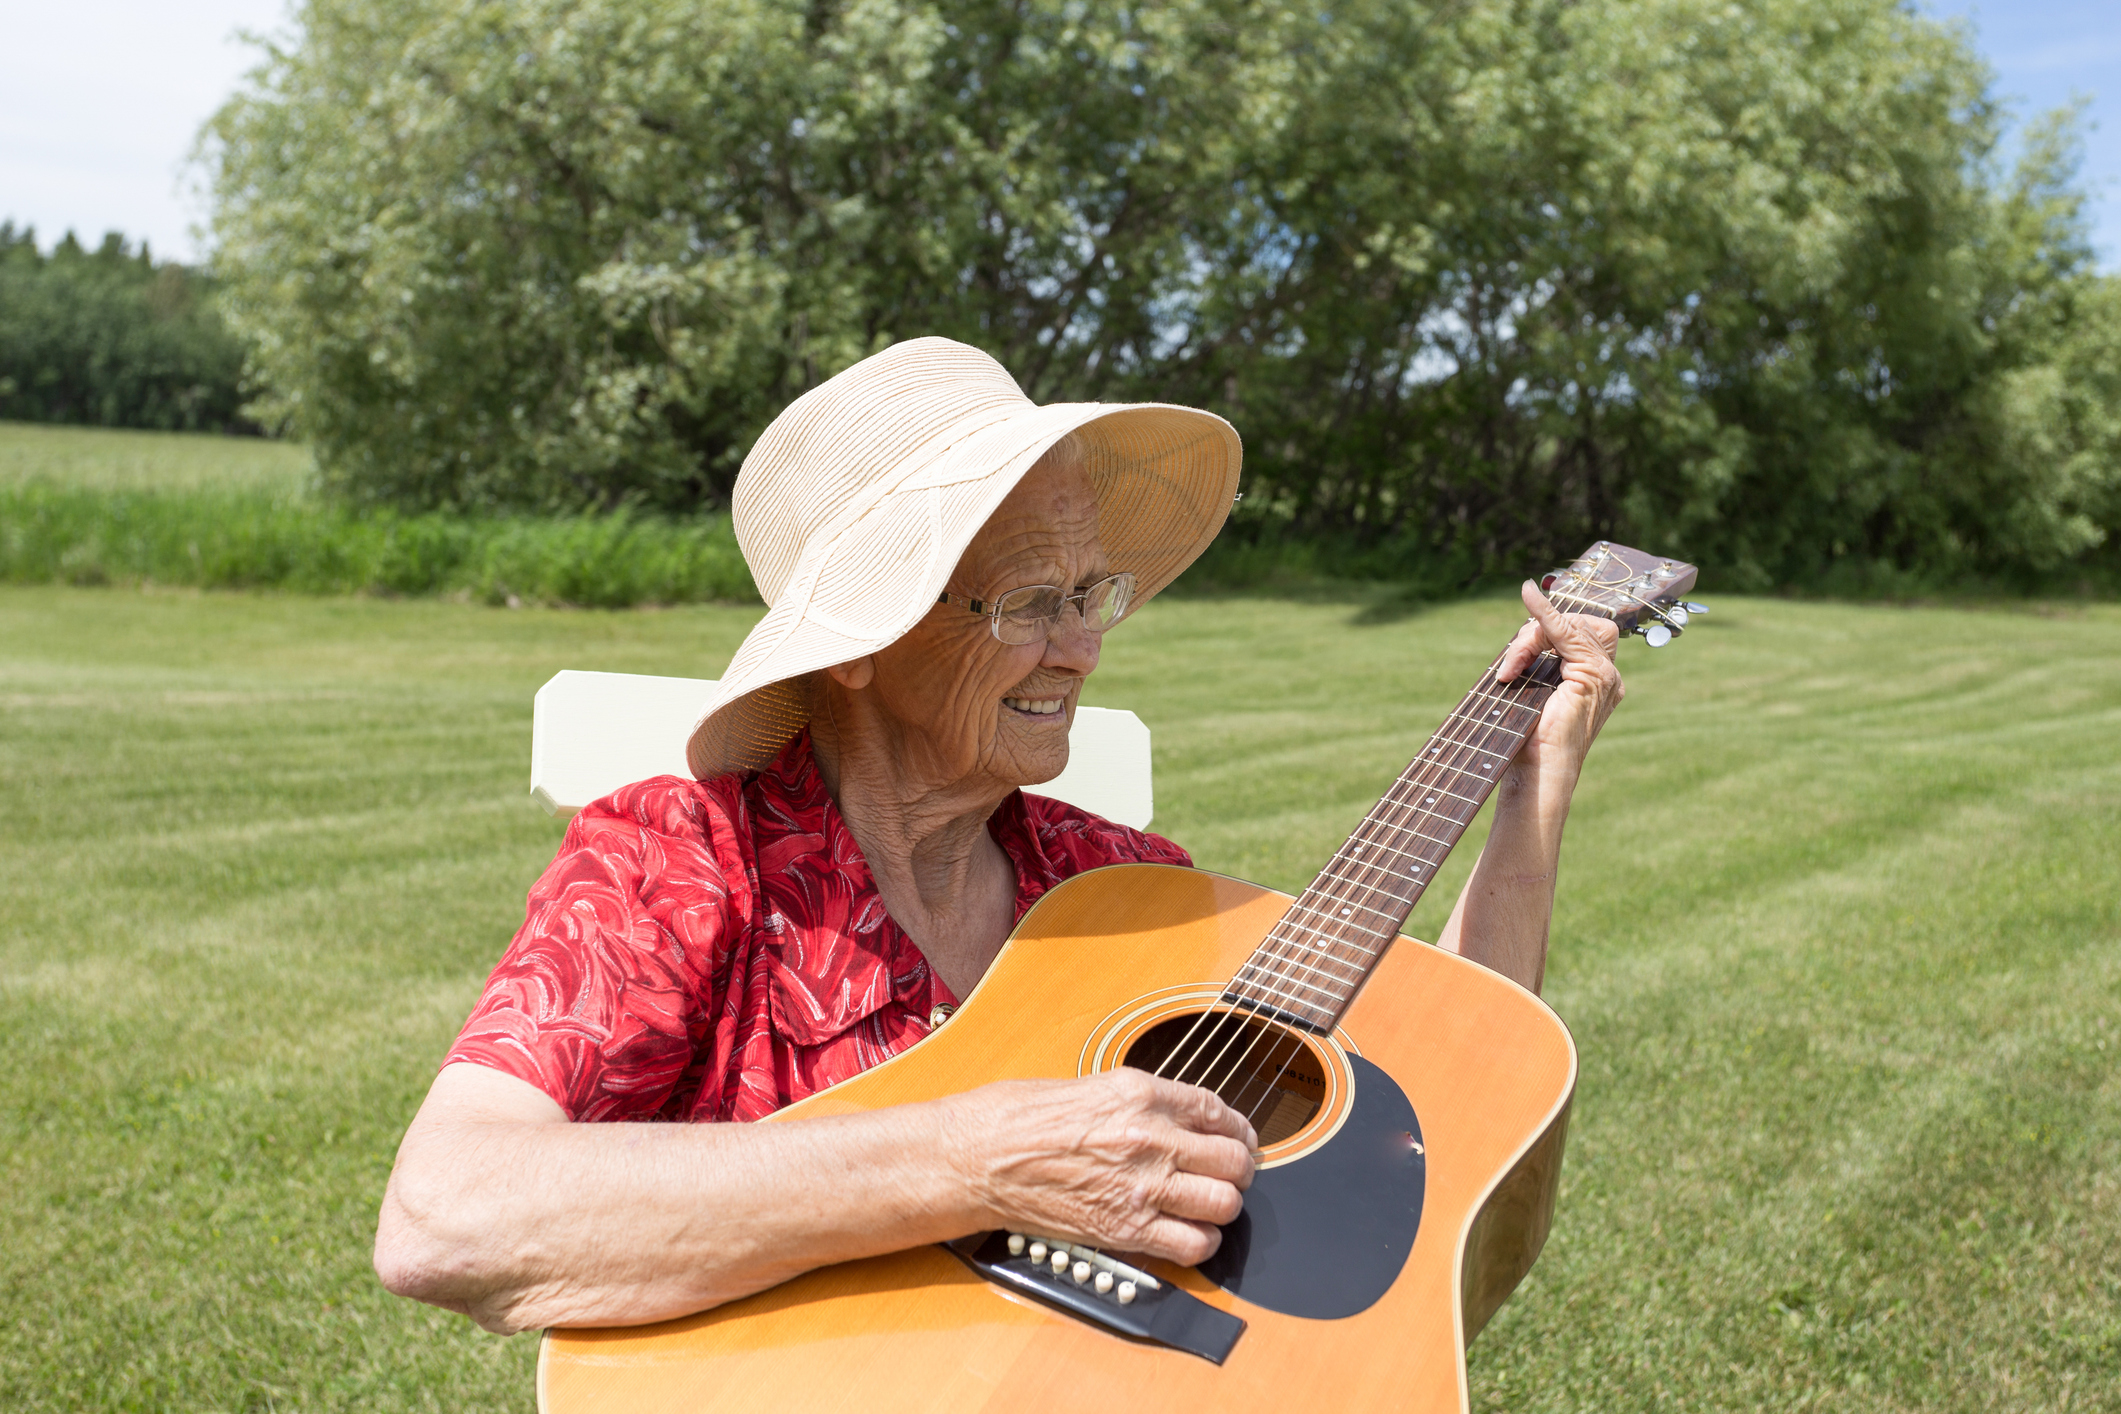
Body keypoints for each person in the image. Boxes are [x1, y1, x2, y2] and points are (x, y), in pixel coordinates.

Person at [373, 338, 1623, 1336]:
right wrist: (974, 1160)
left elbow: (1442, 1090)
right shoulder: (680, 857)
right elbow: (443, 1214)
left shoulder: (1122, 886)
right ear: (862, 641)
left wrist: (1535, 788)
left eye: (1094, 595)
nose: (1081, 645)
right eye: (1032, 600)